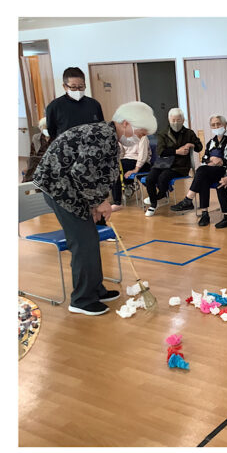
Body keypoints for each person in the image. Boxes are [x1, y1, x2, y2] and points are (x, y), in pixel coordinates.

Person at [32, 101, 157, 316]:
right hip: (60, 189)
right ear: (126, 123)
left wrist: (95, 203)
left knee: (90, 239)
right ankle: (81, 299)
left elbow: (98, 174)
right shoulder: (101, 136)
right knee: (83, 242)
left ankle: (95, 289)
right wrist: (99, 202)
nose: (140, 138)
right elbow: (82, 173)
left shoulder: (108, 136)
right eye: (141, 133)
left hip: (73, 190)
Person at [170, 113, 227, 225]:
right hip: (212, 171)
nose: (216, 127)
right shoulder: (211, 142)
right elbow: (204, 158)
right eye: (213, 125)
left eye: (218, 124)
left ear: (225, 124)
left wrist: (221, 161)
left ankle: (188, 200)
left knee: (201, 171)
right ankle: (205, 214)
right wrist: (211, 160)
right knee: (203, 178)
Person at [143, 108, 202, 217]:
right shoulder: (163, 133)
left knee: (163, 178)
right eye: (173, 120)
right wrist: (177, 151)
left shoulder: (189, 133)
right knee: (150, 178)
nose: (175, 123)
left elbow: (199, 147)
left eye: (178, 120)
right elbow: (160, 151)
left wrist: (191, 144)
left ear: (183, 120)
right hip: (163, 163)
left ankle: (156, 199)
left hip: (179, 166)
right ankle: (154, 203)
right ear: (169, 120)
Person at [45, 67, 105, 140]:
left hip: (91, 144)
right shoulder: (54, 107)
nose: (78, 90)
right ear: (65, 87)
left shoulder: (94, 104)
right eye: (73, 87)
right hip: (66, 145)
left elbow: (101, 127)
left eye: (81, 86)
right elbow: (52, 132)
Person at [110, 129, 152, 211]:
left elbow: (143, 155)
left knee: (117, 170)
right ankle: (114, 198)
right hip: (126, 161)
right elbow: (121, 153)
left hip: (141, 163)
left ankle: (117, 202)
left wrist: (135, 169)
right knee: (113, 168)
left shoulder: (143, 137)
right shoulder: (123, 137)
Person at [22, 117, 51, 182]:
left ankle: (27, 182)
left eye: (47, 128)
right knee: (32, 159)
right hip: (38, 160)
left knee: (34, 161)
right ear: (40, 128)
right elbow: (32, 153)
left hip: (50, 158)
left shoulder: (56, 137)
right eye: (43, 128)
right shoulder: (36, 137)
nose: (45, 130)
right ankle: (28, 182)